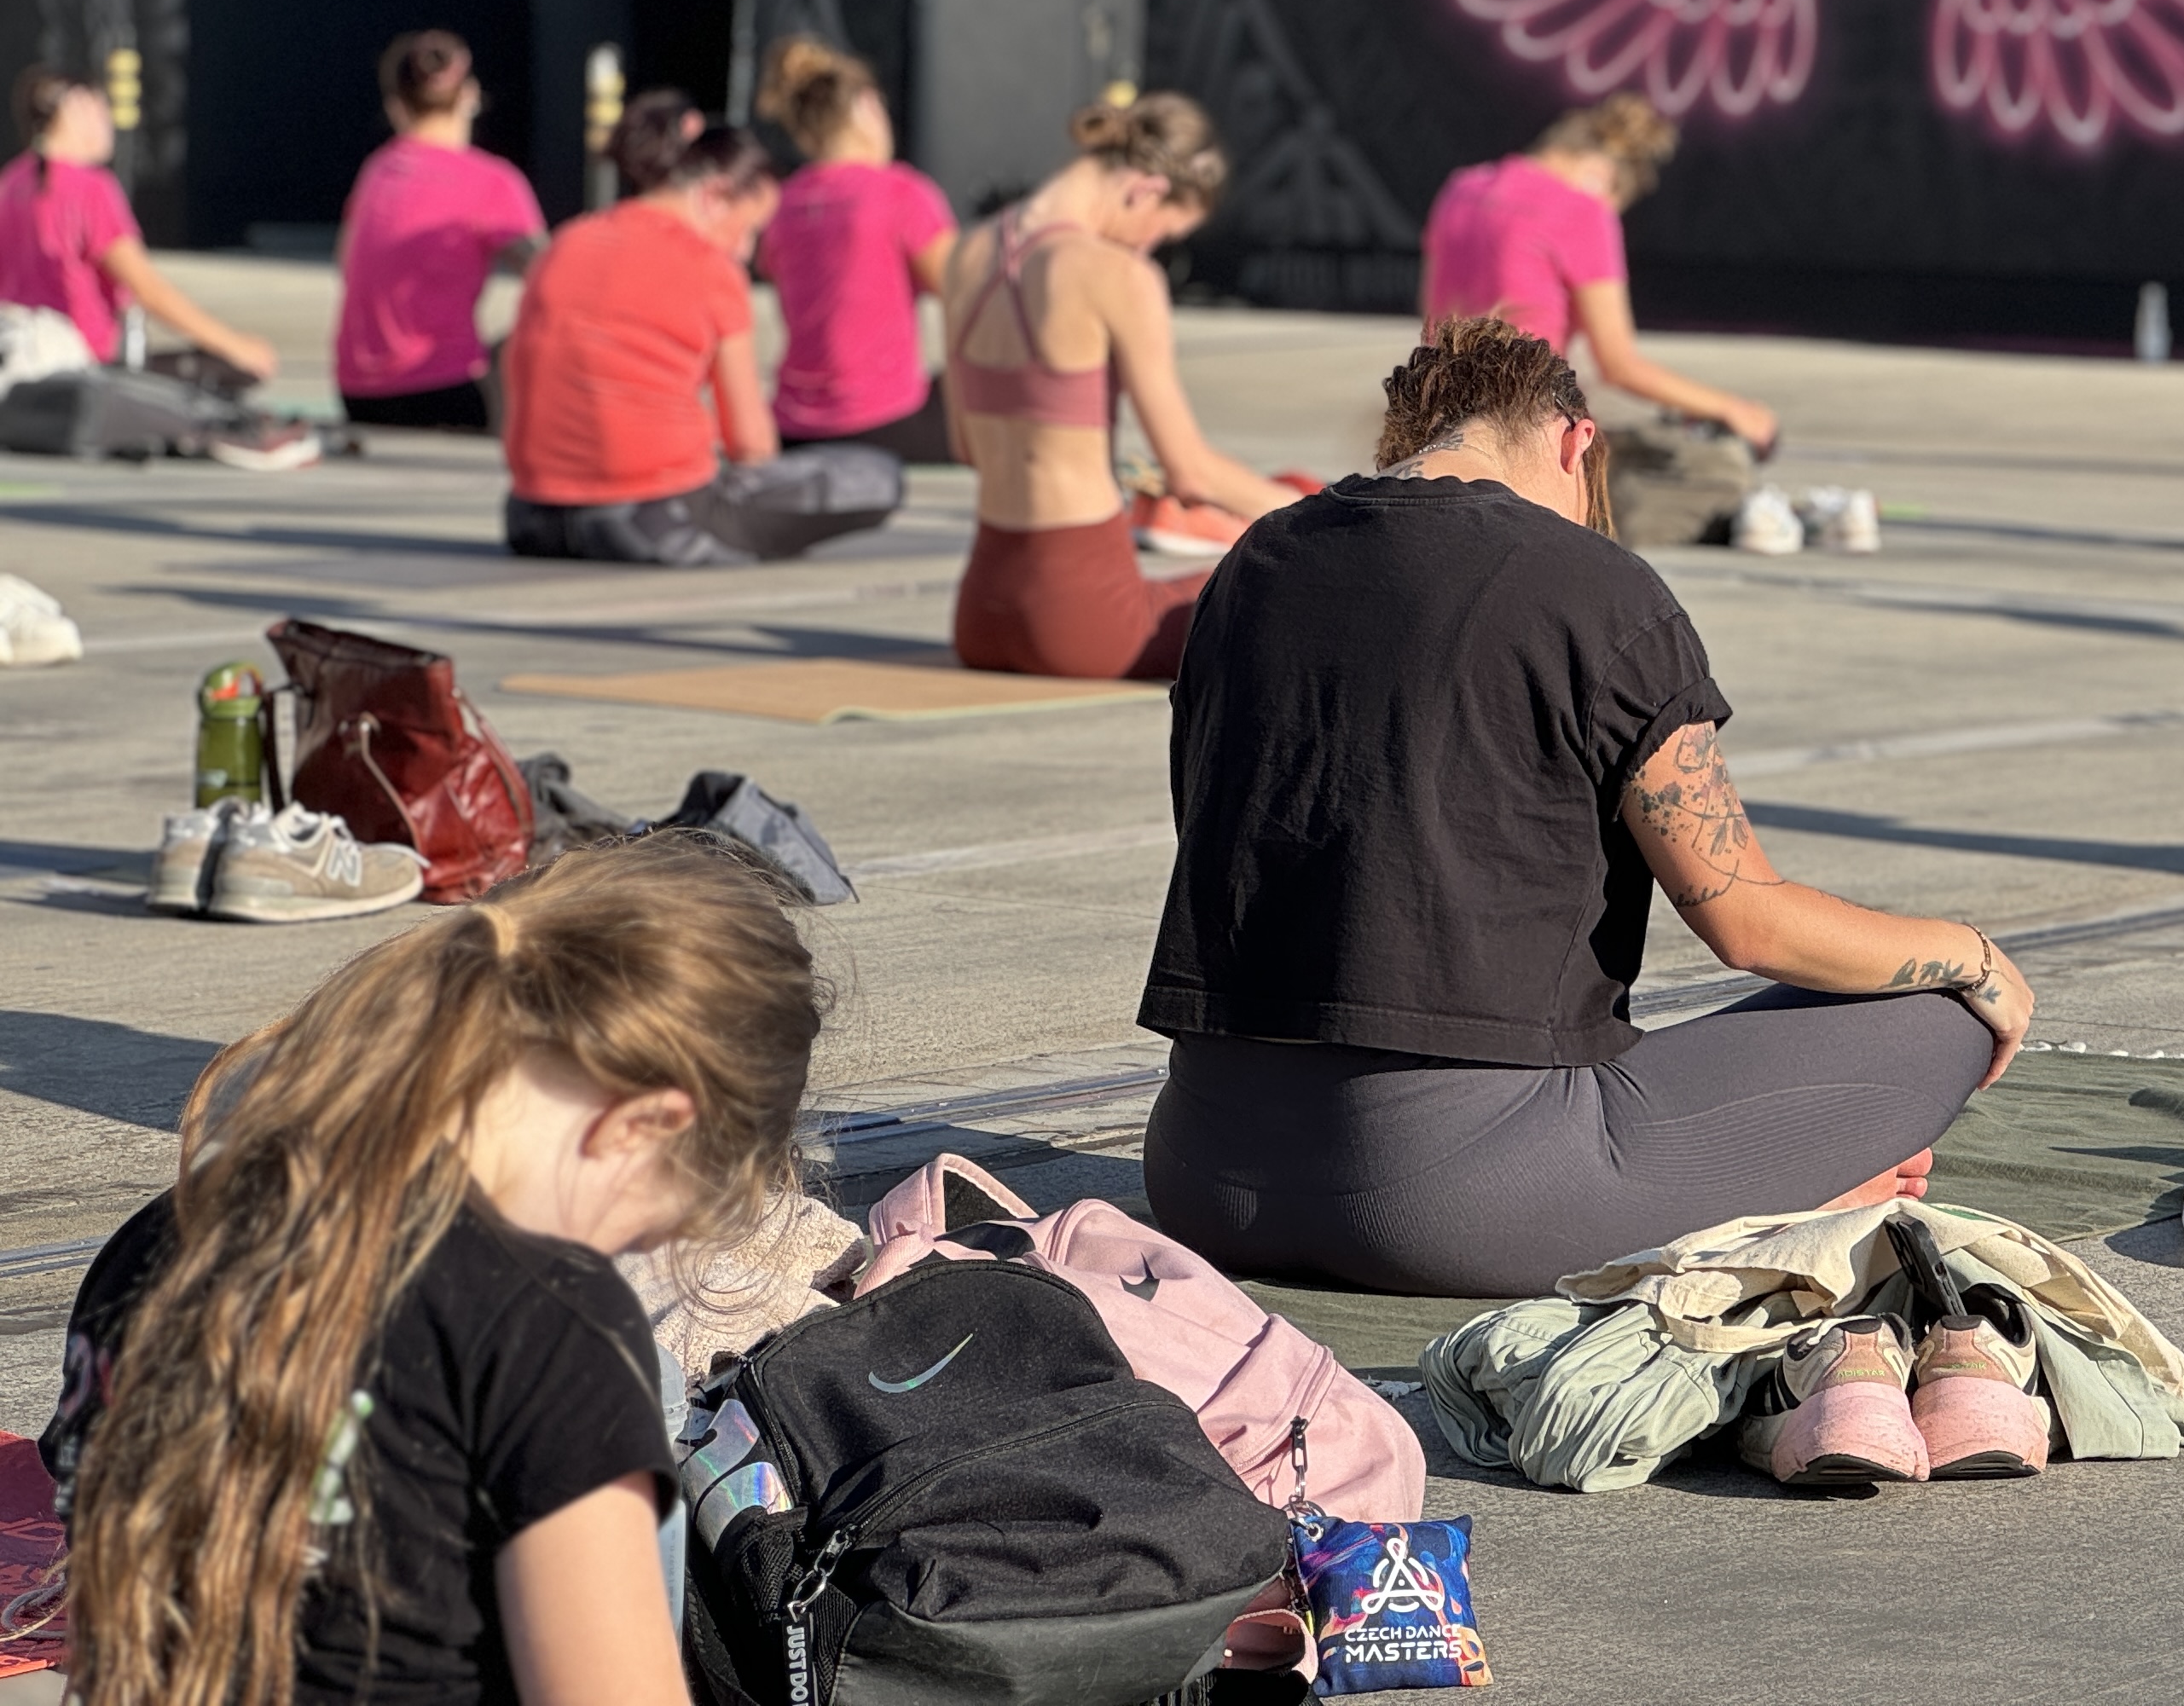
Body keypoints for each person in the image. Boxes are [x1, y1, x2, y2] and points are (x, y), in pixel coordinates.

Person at [1138, 315, 2038, 1300]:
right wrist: (1973, 957)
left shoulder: (1253, 563)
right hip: (1453, 1204)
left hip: (1201, 1176)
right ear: (1576, 442)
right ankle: (1785, 1197)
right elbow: (1748, 922)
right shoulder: (1592, 585)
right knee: (1939, 1015)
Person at [47, 837, 823, 1706]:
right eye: (653, 1228)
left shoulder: (157, 1241)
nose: (622, 1255)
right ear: (644, 1127)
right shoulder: (546, 1323)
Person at [946, 93, 1289, 677]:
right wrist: (1321, 515)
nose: (1147, 247)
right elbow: (1190, 473)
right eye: (1162, 233)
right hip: (1083, 619)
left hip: (981, 612)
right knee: (1294, 587)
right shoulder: (1117, 273)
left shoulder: (968, 252)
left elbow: (965, 447)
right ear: (1146, 190)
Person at [500, 122, 904, 565]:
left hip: (532, 518)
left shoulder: (567, 241)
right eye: (748, 228)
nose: (746, 250)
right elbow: (750, 444)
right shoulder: (710, 266)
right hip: (652, 521)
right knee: (878, 476)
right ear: (714, 196)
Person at [1420, 94, 1778, 453]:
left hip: (1440, 421)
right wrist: (1733, 409)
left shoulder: (1460, 189)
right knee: (1713, 461)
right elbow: (1619, 366)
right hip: (1524, 430)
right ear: (1599, 176)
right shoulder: (1583, 210)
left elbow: (1434, 320)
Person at [753, 38, 959, 463]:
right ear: (866, 107)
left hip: (793, 428)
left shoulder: (783, 203)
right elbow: (966, 292)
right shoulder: (901, 192)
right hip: (884, 423)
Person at [0, 65, 276, 379]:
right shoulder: (91, 188)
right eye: (102, 110)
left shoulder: (10, 184)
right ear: (77, 107)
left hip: (15, 361)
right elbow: (147, 289)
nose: (109, 125)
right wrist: (234, 346)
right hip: (77, 370)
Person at [333, 32, 547, 431]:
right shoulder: (493, 181)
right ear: (470, 96)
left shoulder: (377, 171)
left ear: (395, 105)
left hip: (358, 392)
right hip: (444, 389)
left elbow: (346, 264)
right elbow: (552, 280)